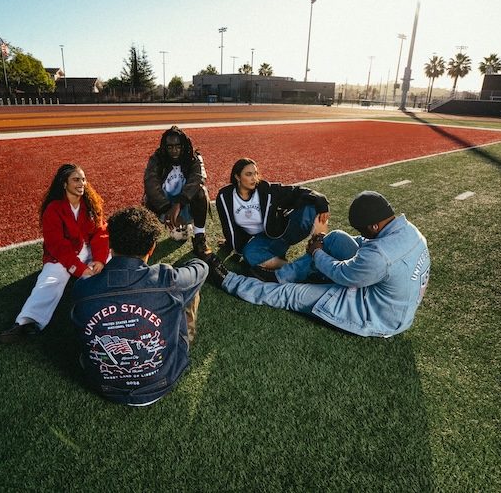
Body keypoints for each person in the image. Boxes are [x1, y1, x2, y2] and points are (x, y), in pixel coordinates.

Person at [206, 191, 430, 338]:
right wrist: (324, 243)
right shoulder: (409, 231)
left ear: (374, 226)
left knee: (291, 294)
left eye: (363, 230)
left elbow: (343, 273)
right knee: (335, 238)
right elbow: (368, 245)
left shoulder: (380, 255)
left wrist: (316, 252)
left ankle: (229, 281)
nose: (362, 235)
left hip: (375, 315)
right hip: (388, 299)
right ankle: (280, 275)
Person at [71, 206, 208, 406]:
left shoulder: (82, 286)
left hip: (104, 386)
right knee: (185, 291)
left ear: (110, 245)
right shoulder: (167, 279)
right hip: (162, 382)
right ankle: (180, 337)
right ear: (152, 248)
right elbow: (201, 268)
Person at [0, 164, 109, 343]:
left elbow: (101, 232)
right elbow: (57, 245)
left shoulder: (91, 203)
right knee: (50, 280)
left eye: (83, 179)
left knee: (112, 260)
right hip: (62, 255)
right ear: (64, 184)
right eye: (76, 180)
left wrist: (100, 260)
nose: (82, 184)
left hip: (89, 250)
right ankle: (27, 322)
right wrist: (80, 269)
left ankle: (119, 308)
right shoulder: (53, 209)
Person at [215, 157, 330, 275]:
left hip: (284, 230)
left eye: (255, 174)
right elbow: (228, 225)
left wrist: (321, 200)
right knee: (250, 254)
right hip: (264, 241)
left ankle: (322, 254)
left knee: (314, 206)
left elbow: (295, 192)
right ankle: (299, 269)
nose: (254, 178)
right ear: (237, 176)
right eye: (248, 174)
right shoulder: (225, 197)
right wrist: (230, 242)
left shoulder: (266, 189)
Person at [143, 125, 213, 259]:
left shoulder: (194, 158)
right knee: (149, 197)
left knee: (201, 191)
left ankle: (199, 238)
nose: (174, 150)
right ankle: (149, 240)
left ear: (184, 146)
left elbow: (198, 179)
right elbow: (150, 184)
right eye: (170, 147)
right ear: (164, 147)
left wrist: (178, 205)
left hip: (186, 206)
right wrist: (168, 209)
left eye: (178, 146)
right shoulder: (156, 159)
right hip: (163, 207)